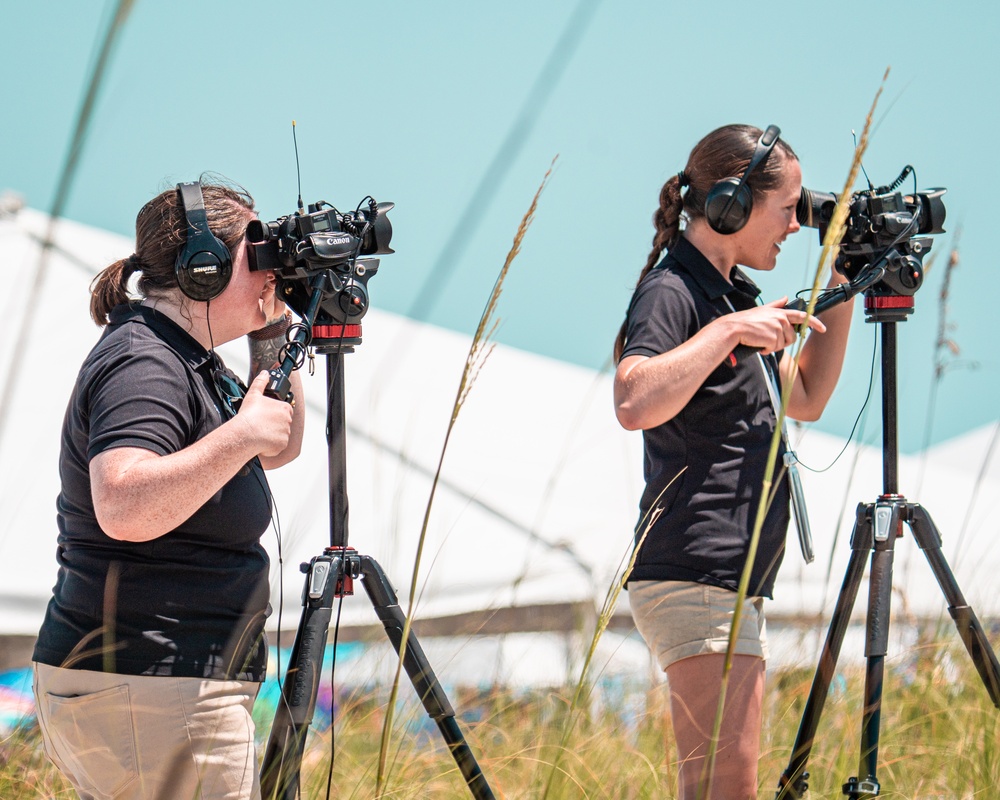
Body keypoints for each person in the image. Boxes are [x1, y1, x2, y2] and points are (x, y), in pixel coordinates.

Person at [31, 178, 306, 800]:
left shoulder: (185, 355)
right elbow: (123, 504)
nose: (271, 268)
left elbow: (279, 444)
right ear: (201, 269)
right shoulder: (145, 361)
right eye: (256, 253)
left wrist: (273, 332)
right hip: (154, 685)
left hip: (148, 686)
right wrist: (239, 435)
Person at [613, 125, 853, 800]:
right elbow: (633, 399)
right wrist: (728, 333)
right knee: (724, 791)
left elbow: (804, 397)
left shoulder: (733, 297)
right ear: (731, 204)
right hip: (697, 572)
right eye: (788, 208)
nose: (793, 227)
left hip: (727, 578)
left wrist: (843, 278)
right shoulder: (676, 292)